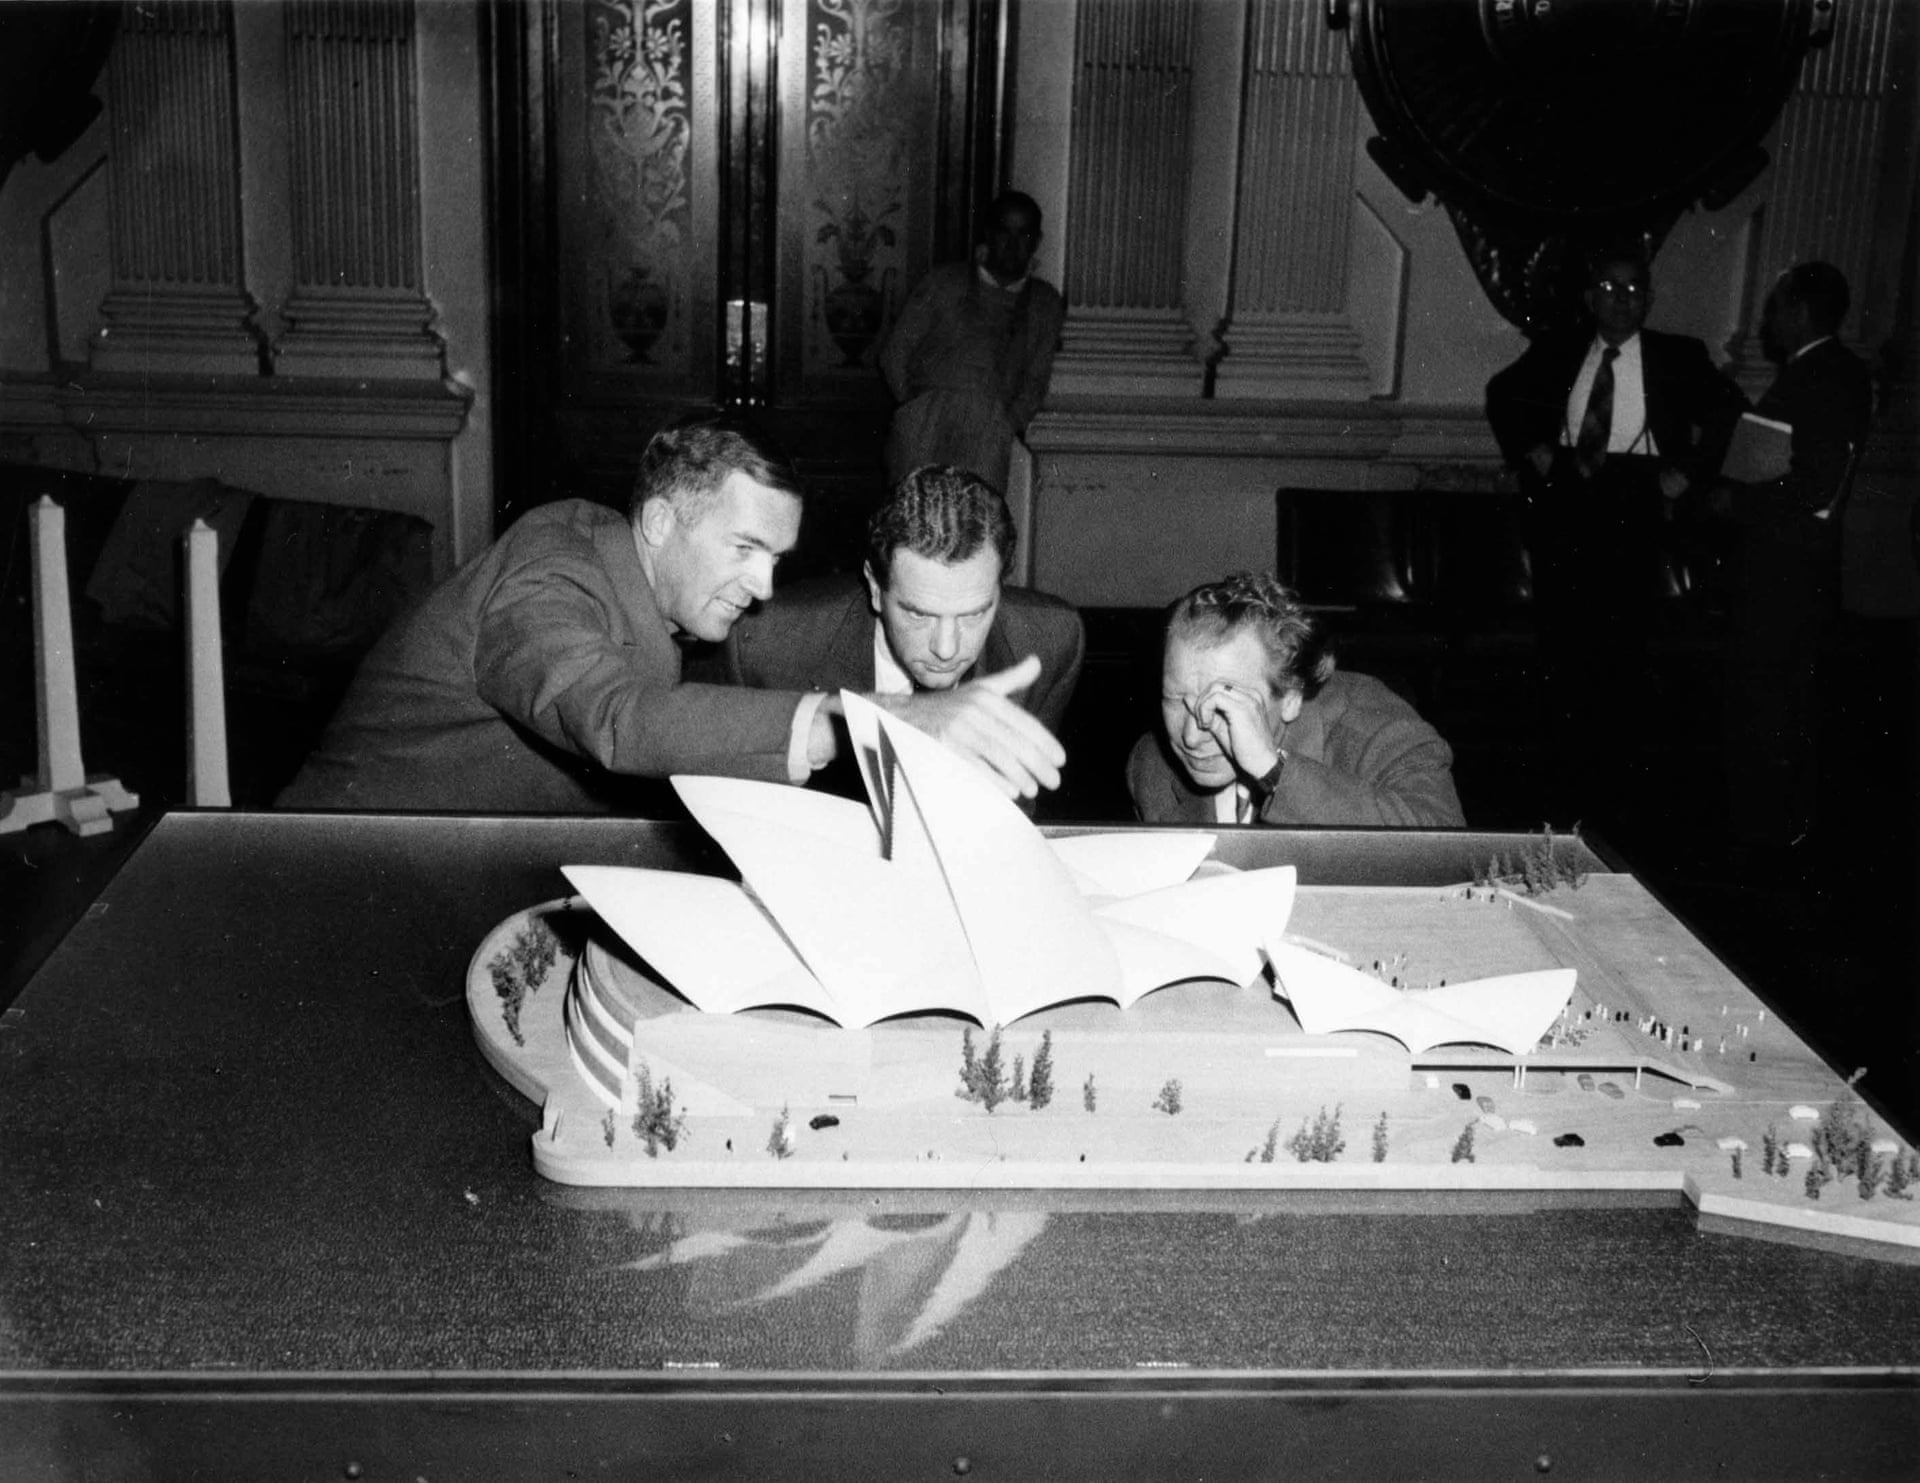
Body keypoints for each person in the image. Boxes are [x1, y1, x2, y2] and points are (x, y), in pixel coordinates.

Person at [277, 413, 1064, 813]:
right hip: (337, 869)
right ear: (659, 521)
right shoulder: (550, 572)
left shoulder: (639, 588)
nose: (765, 587)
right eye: (745, 548)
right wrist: (876, 721)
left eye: (776, 558)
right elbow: (617, 719)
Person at [1486, 246, 1747, 827]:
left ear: (1648, 299)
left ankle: (1614, 797)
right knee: (1561, 644)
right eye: (1609, 288)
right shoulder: (1559, 349)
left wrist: (1690, 471)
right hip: (1567, 499)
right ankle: (1560, 788)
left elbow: (1732, 411)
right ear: (1589, 297)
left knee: (1621, 649)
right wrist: (1532, 449)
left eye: (1633, 290)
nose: (1621, 300)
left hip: (1636, 499)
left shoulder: (1678, 355)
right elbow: (1502, 393)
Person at [718, 464, 1083, 802]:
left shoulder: (1050, 639)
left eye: (973, 614)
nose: (946, 648)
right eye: (918, 614)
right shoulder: (764, 644)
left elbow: (1017, 806)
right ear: (876, 589)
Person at [1714, 261, 1875, 869]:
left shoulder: (1825, 374)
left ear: (1800, 311)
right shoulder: (1824, 370)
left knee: (1771, 703)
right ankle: (1766, 828)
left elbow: (1815, 483)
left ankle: (1766, 839)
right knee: (1772, 700)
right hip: (1783, 568)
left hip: (1787, 573)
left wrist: (1736, 500)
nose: (1769, 321)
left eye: (1777, 307)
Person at [1127, 572, 1464, 828]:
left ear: (1290, 698)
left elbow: (1446, 848)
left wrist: (1273, 770)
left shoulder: (1375, 730)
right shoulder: (1152, 769)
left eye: (1223, 707)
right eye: (1176, 700)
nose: (1190, 736)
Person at [878, 189, 1065, 493]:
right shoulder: (944, 282)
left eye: (1024, 234)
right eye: (1004, 231)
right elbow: (895, 353)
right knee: (916, 510)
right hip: (925, 420)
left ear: (1037, 241)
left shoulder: (1044, 303)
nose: (1013, 244)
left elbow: (1036, 378)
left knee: (977, 514)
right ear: (988, 233)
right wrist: (913, 408)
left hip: (989, 430)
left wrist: (1007, 423)